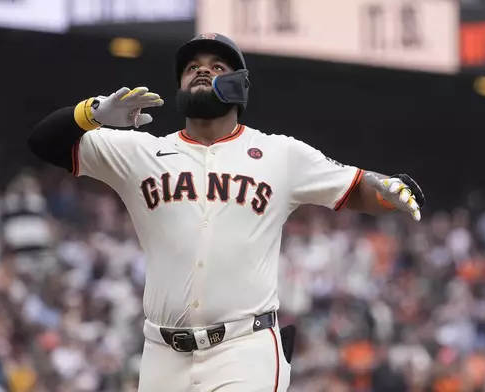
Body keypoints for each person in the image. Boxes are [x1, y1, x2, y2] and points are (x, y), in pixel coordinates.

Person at [27, 33, 425, 392]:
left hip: (244, 348)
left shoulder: (278, 153)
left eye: (217, 67)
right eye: (191, 68)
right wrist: (93, 114)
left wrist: (389, 187)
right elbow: (44, 142)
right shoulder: (141, 153)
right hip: (163, 355)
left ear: (240, 85)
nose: (201, 71)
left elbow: (356, 188)